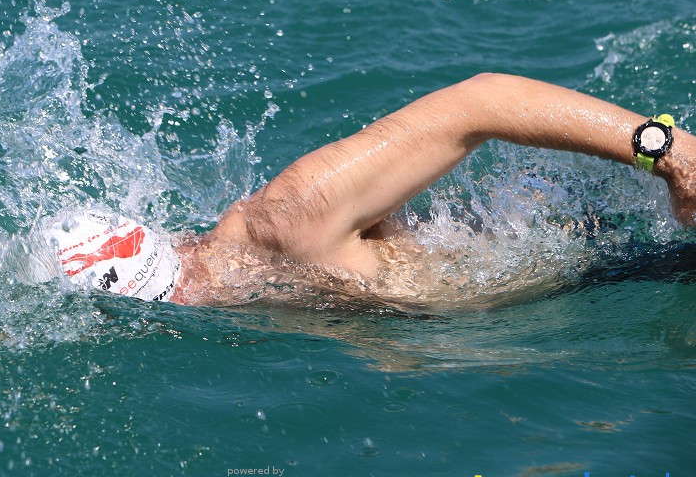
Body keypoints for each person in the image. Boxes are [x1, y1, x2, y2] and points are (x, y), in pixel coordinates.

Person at [41, 73, 695, 307]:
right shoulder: (223, 278)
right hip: (551, 279)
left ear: (173, 292)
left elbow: (485, 101)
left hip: (600, 260)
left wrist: (669, 153)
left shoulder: (289, 217)